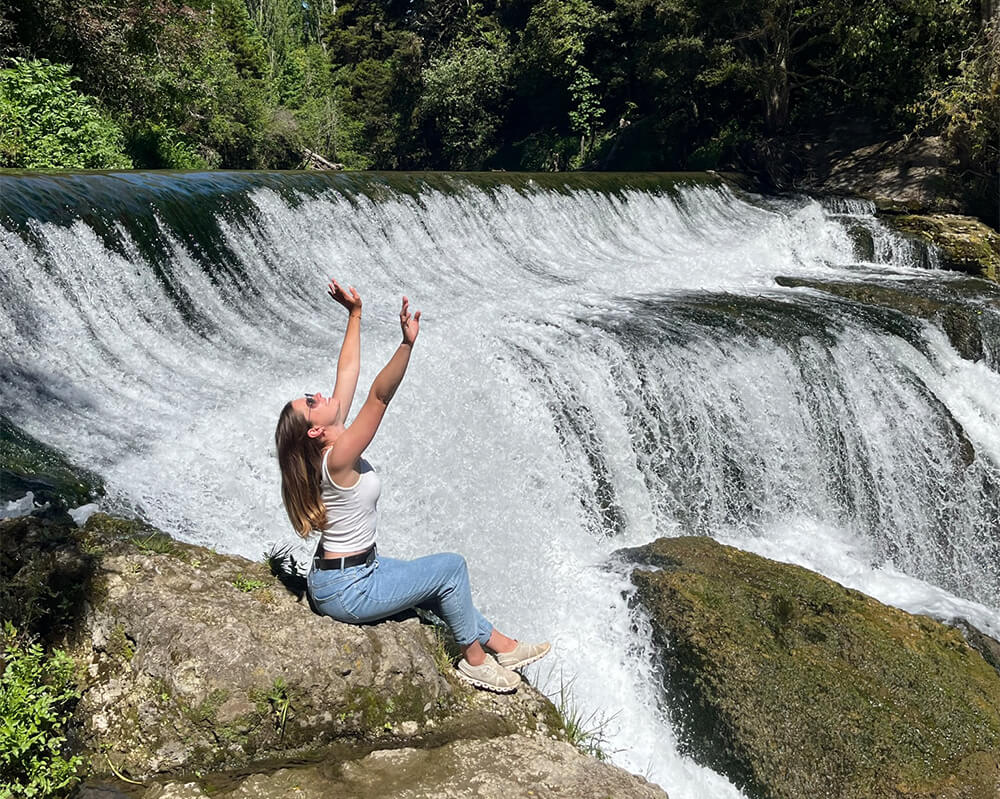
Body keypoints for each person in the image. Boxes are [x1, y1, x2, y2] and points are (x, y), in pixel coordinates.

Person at [274, 279, 550, 693]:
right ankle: (474, 662)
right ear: (315, 432)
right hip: (349, 589)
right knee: (451, 568)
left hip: (350, 573)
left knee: (438, 586)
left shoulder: (328, 446)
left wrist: (354, 315)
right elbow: (379, 398)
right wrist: (406, 345)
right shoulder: (339, 457)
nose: (318, 395)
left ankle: (502, 645)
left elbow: (348, 371)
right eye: (311, 403)